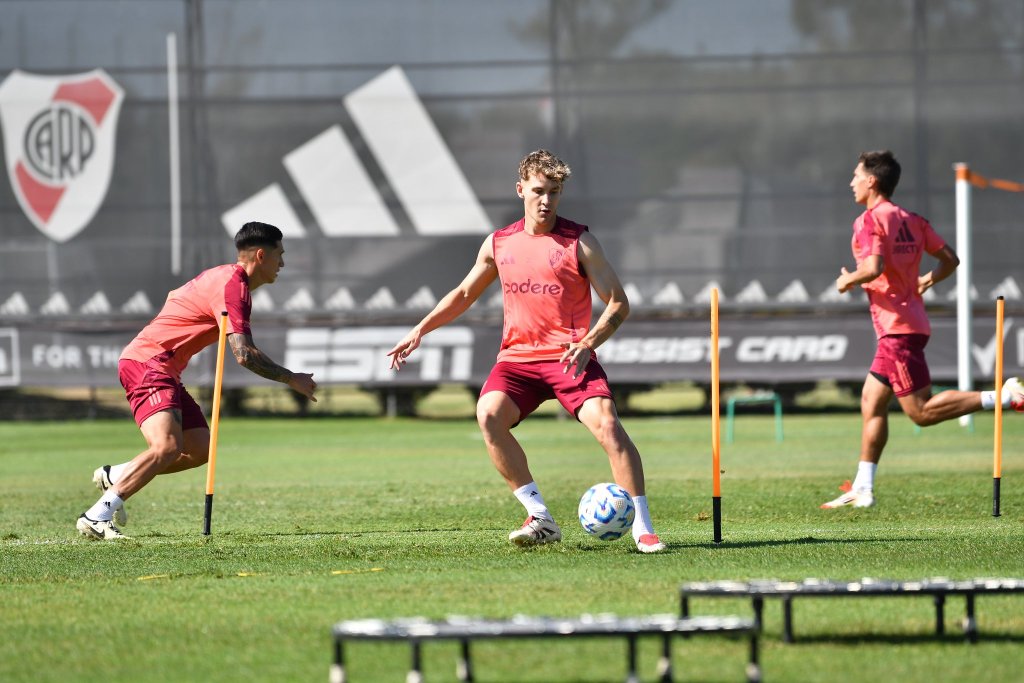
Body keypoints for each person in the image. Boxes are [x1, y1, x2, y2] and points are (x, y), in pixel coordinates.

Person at [387, 149, 666, 553]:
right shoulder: (500, 242)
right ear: (521, 190)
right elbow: (464, 293)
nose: (546, 200)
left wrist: (589, 343)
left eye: (554, 192)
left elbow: (619, 303)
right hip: (517, 362)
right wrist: (420, 329)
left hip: (570, 358)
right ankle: (539, 517)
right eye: (539, 190)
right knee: (488, 416)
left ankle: (643, 527)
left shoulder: (580, 242)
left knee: (607, 426)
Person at [76, 221, 318, 539]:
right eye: (280, 255)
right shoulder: (235, 287)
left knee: (200, 450)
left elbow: (175, 296)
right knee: (167, 447)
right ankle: (98, 515)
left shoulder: (221, 275)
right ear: (261, 255)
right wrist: (291, 378)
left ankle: (118, 474)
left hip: (162, 367)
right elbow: (243, 354)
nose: (282, 264)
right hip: (149, 363)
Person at [821, 150, 1023, 509]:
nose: (851, 182)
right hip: (907, 325)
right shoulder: (912, 219)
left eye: (856, 175)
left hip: (897, 329)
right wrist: (927, 279)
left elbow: (873, 267)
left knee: (921, 412)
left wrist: (845, 281)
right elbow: (951, 260)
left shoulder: (869, 220)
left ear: (872, 180)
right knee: (871, 400)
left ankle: (1003, 396)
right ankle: (862, 487)